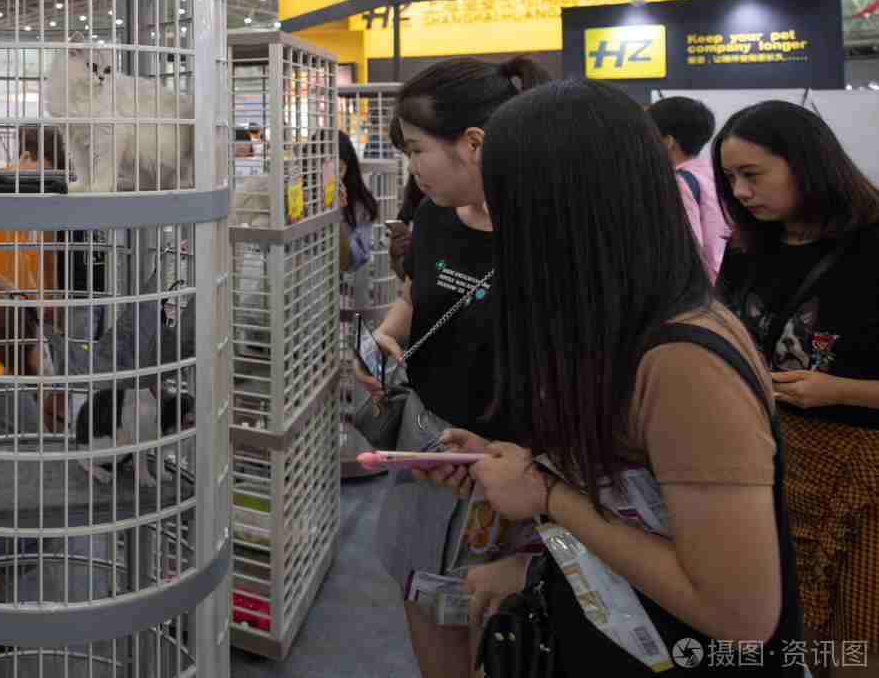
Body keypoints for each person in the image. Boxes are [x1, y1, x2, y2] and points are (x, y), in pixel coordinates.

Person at [429, 80, 797, 675]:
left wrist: (547, 495)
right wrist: (515, 470)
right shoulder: (619, 332)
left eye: (505, 201)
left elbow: (740, 615)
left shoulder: (684, 362)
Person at [371, 56, 550, 678]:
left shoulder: (551, 240)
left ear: (473, 144)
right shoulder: (434, 215)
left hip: (514, 473)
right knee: (427, 605)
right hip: (429, 451)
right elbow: (417, 294)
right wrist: (389, 334)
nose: (412, 168)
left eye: (417, 150)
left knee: (504, 634)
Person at [713, 100, 879, 665]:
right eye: (730, 178)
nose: (740, 192)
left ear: (805, 162)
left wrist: (841, 391)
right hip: (765, 461)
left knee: (857, 636)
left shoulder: (869, 244)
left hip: (862, 474)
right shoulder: (746, 247)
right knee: (780, 627)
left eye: (752, 174)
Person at [648, 96, 729, 277]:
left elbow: (688, 251)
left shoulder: (679, 183)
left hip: (703, 285)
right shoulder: (714, 173)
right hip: (725, 280)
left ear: (668, 142)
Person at [335, 130, 380, 273]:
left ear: (347, 168)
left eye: (338, 170)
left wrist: (336, 214)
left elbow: (348, 263)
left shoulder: (359, 205)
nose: (331, 177)